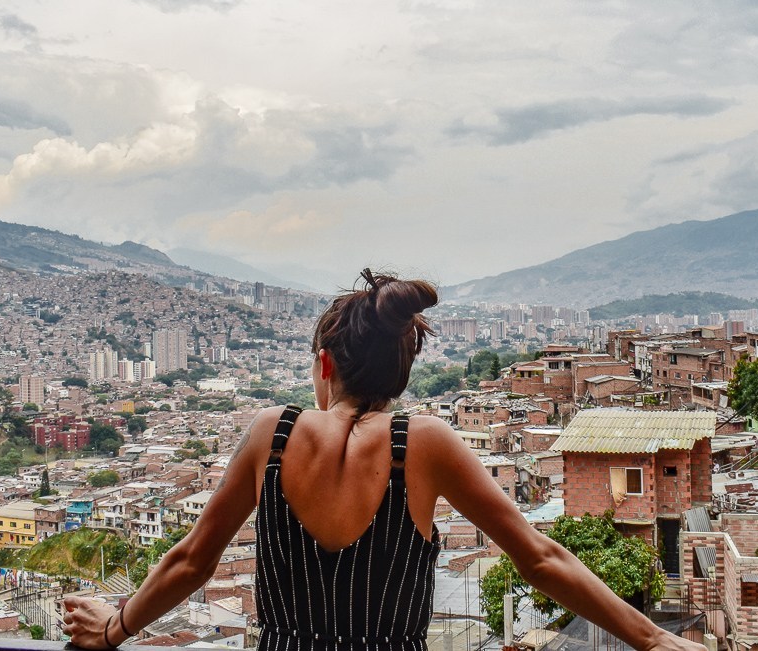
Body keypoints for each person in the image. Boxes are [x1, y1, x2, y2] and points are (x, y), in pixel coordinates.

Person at [63, 270, 703, 651]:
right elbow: (539, 557)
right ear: (401, 371)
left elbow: (191, 560)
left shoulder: (272, 434)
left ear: (325, 365)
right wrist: (653, 638)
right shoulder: (422, 443)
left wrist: (114, 628)